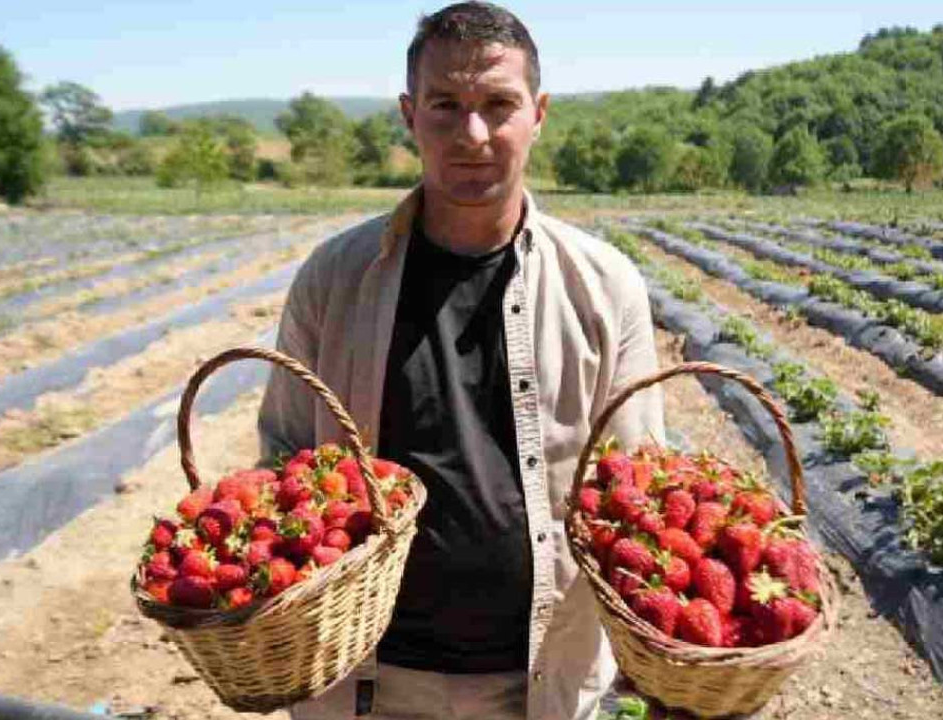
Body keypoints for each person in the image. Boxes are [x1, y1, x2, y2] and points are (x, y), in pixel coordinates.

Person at [257, 3, 664, 718]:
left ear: (538, 114)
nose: (472, 134)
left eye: (498, 105)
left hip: (540, 681)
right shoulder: (336, 277)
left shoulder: (604, 286)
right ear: (410, 115)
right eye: (446, 105)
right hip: (364, 681)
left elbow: (640, 490)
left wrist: (661, 660)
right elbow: (282, 457)